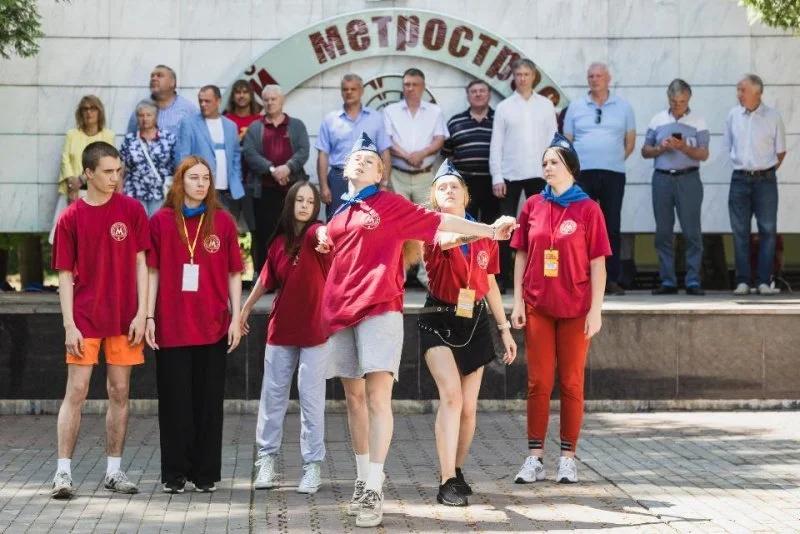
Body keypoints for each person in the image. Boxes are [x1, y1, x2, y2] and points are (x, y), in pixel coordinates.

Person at [316, 132, 516, 527]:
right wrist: (320, 234)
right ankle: (363, 479)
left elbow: (442, 224)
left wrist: (490, 231)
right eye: (356, 158)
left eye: (370, 160)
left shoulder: (390, 204)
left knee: (381, 399)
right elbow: (325, 246)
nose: (361, 162)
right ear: (343, 168)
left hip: (382, 310)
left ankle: (378, 486)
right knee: (354, 400)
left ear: (381, 173)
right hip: (342, 314)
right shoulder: (338, 216)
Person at [50, 141, 150, 499]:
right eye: (107, 171)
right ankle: (63, 473)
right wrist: (69, 324)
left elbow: (142, 264)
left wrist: (142, 313)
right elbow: (64, 275)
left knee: (120, 392)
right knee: (76, 392)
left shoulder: (132, 209)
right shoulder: (70, 218)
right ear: (88, 174)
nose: (115, 177)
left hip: (125, 319)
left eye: (118, 171)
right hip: (85, 319)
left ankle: (113, 471)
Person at [510, 134, 611, 486]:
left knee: (571, 382)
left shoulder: (589, 209)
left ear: (570, 167)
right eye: (544, 163)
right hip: (538, 304)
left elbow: (598, 264)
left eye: (554, 162)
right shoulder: (532, 205)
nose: (547, 167)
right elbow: (521, 254)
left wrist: (596, 310)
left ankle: (568, 459)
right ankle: (535, 457)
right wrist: (518, 301)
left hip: (576, 308)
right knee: (538, 381)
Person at [419, 159, 517, 507]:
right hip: (438, 319)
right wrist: (490, 230)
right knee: (451, 397)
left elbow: (490, 283)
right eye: (442, 187)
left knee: (468, 408)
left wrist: (504, 329)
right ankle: (445, 480)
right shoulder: (432, 226)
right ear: (434, 196)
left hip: (474, 320)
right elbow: (449, 240)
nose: (449, 191)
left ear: (465, 194)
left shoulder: (482, 234)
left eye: (454, 186)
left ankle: (457, 471)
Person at [144, 155, 243, 494]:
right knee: (175, 403)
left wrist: (236, 317)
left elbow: (234, 273)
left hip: (213, 325)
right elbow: (152, 271)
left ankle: (205, 474)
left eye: (205, 178)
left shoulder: (223, 222)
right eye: (194, 178)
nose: (201, 184)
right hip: (172, 325)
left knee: (208, 403)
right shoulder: (161, 221)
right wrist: (149, 316)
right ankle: (174, 474)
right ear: (180, 181)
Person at [240, 181, 331, 495]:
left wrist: (325, 236)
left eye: (310, 201)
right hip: (280, 331)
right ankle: (266, 460)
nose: (304, 205)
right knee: (273, 398)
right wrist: (244, 309)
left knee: (311, 400)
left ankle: (312, 466)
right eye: (299, 200)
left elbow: (322, 234)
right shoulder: (278, 242)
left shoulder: (316, 234)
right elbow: (265, 279)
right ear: (290, 203)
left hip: (315, 332)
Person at [563, 62, 636, 296]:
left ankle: (611, 279)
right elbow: (567, 140)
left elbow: (630, 142)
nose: (595, 80)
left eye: (599, 76)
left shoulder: (624, 107)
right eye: (591, 76)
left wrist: (611, 159)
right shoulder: (576, 107)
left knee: (611, 226)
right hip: (583, 174)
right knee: (580, 227)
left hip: (613, 173)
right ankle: (581, 278)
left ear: (608, 78)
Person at [490, 58, 557, 291]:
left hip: (539, 174)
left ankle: (538, 277)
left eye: (526, 74)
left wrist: (553, 173)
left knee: (541, 228)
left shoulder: (546, 106)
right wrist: (497, 176)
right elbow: (496, 144)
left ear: (533, 77)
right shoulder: (504, 107)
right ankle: (502, 278)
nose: (522, 79)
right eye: (518, 74)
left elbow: (553, 141)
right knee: (504, 227)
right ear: (514, 77)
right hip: (509, 174)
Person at [642, 79, 709, 295]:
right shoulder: (657, 120)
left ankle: (693, 281)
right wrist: (660, 148)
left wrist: (683, 148)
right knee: (663, 232)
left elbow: (704, 154)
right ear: (668, 98)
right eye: (674, 101)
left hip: (689, 178)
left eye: (682, 102)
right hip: (662, 179)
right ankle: (668, 281)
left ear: (689, 99)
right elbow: (645, 151)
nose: (678, 106)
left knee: (692, 232)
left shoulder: (699, 121)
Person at [383, 68, 449, 287]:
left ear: (423, 87)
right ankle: (397, 276)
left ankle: (427, 276)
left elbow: (439, 139)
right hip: (398, 176)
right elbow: (387, 140)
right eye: (407, 84)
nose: (410, 88)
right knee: (398, 227)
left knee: (428, 224)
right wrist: (407, 155)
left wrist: (421, 154)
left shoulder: (435, 111)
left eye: (414, 84)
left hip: (425, 176)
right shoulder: (390, 111)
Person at [724, 74, 787, 296]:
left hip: (765, 180)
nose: (739, 94)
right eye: (738, 89)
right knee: (740, 231)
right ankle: (742, 281)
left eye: (743, 90)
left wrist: (764, 171)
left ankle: (763, 281)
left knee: (767, 231)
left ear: (757, 92)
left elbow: (781, 152)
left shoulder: (773, 116)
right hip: (739, 179)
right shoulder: (733, 115)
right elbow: (728, 146)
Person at [243, 85, 309, 274]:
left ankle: (291, 274)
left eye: (274, 99)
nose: (270, 103)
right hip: (264, 192)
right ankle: (265, 276)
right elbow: (250, 153)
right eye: (266, 99)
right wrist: (272, 170)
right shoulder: (255, 128)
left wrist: (288, 168)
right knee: (265, 235)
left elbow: (303, 150)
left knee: (293, 232)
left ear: (282, 101)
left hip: (292, 190)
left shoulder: (296, 125)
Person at [317, 74, 391, 219]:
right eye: (345, 89)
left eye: (353, 89)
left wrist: (384, 183)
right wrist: (323, 186)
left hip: (369, 179)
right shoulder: (331, 120)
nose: (349, 92)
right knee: (336, 221)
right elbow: (323, 155)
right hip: (338, 179)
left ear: (361, 91)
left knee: (369, 221)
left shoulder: (376, 118)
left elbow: (385, 153)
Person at [52, 95, 115, 243]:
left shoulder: (107, 136)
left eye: (93, 108)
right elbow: (65, 159)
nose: (89, 112)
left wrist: (82, 179)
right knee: (65, 237)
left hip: (96, 193)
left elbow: (106, 163)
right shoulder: (72, 135)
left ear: (99, 112)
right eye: (85, 109)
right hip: (72, 191)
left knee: (93, 237)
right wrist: (71, 183)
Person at [175, 85, 244, 220]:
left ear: (218, 101)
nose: (203, 104)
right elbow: (182, 158)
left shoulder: (231, 126)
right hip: (199, 190)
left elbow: (236, 155)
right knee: (201, 227)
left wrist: (236, 177)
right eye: (200, 101)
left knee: (226, 227)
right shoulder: (189, 123)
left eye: (207, 101)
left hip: (227, 191)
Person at [442, 80, 499, 226]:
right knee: (464, 225)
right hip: (464, 183)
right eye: (473, 91)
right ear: (468, 95)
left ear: (489, 95)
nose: (478, 94)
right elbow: (447, 152)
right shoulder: (455, 122)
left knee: (493, 226)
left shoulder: (500, 120)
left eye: (482, 91)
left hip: (493, 183)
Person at [120, 99, 176, 217]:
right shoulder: (130, 139)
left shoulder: (168, 138)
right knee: (138, 225)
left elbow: (176, 166)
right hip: (134, 191)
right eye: (141, 115)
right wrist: (119, 194)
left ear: (156, 116)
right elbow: (121, 168)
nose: (145, 119)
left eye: (148, 115)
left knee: (158, 224)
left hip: (160, 193)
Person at [126, 65, 197, 135]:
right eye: (152, 76)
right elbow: (130, 137)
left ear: (172, 83)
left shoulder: (188, 109)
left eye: (159, 75)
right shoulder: (141, 107)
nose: (154, 78)